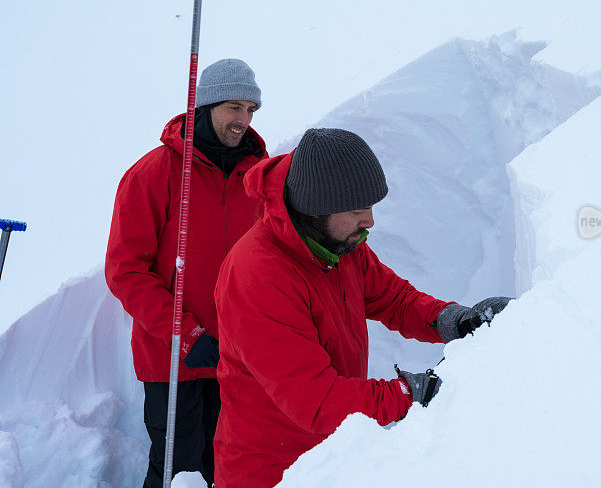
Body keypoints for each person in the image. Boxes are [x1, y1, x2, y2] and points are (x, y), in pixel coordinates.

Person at [213, 127, 511, 486]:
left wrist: (452, 321)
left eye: (370, 207)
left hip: (335, 453)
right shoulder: (257, 276)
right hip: (274, 470)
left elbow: (392, 299)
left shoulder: (337, 243)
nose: (369, 221)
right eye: (357, 210)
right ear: (315, 210)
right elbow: (316, 400)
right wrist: (409, 393)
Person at [105, 59, 268, 487]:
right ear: (207, 104)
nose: (243, 120)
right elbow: (126, 271)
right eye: (235, 107)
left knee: (230, 468)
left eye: (251, 110)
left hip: (237, 357)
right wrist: (185, 332)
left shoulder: (256, 176)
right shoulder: (153, 173)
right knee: (178, 470)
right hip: (172, 357)